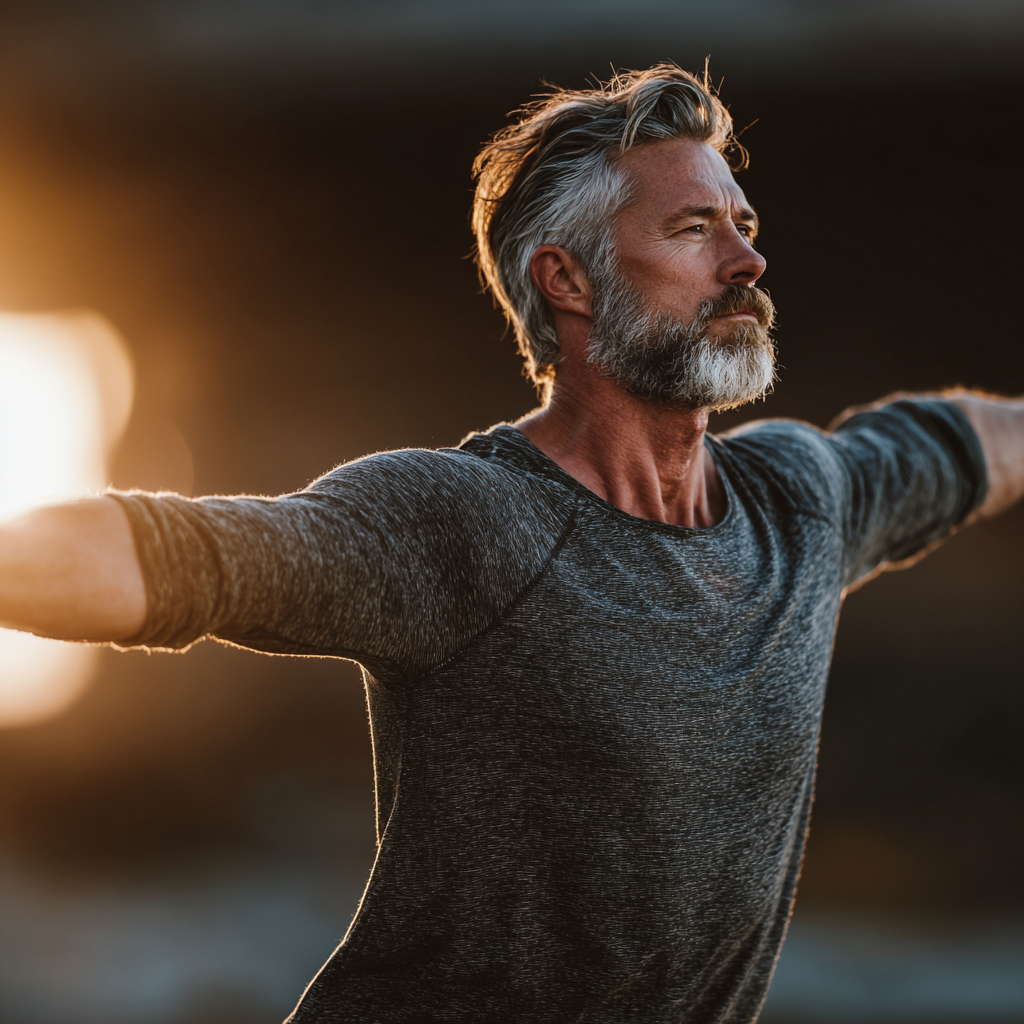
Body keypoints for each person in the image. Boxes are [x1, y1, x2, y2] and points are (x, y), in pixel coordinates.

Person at [1, 64, 1022, 1023]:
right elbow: (175, 556)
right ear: (567, 281)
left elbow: (959, 442)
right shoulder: (467, 524)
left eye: (745, 226)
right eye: (693, 228)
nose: (746, 260)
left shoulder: (801, 499)